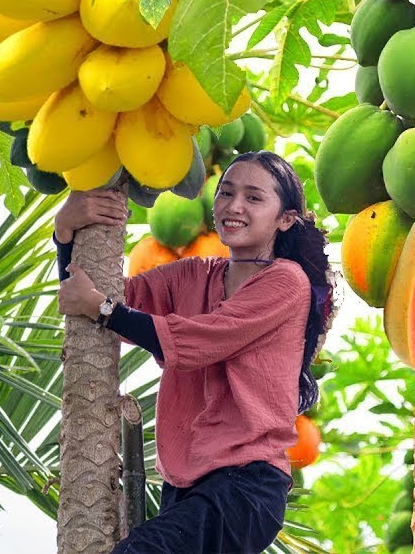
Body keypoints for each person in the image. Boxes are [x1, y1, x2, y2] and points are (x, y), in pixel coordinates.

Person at [54, 150, 336, 554]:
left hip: (244, 486)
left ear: (285, 218)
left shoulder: (286, 283)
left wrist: (102, 308)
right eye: (226, 193)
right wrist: (65, 233)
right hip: (182, 486)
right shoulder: (194, 273)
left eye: (254, 198)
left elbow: (200, 337)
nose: (234, 206)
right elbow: (108, 297)